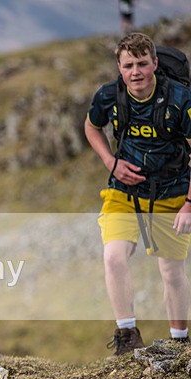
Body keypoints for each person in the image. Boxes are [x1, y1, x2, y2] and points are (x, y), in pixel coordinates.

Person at [84, 32, 191, 355]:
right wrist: (110, 162)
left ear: (155, 64)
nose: (136, 72)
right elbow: (92, 127)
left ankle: (180, 342)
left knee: (171, 271)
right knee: (114, 257)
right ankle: (127, 337)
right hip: (123, 193)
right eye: (128, 65)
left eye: (142, 64)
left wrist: (189, 204)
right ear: (119, 67)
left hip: (172, 193)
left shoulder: (181, 100)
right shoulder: (109, 96)